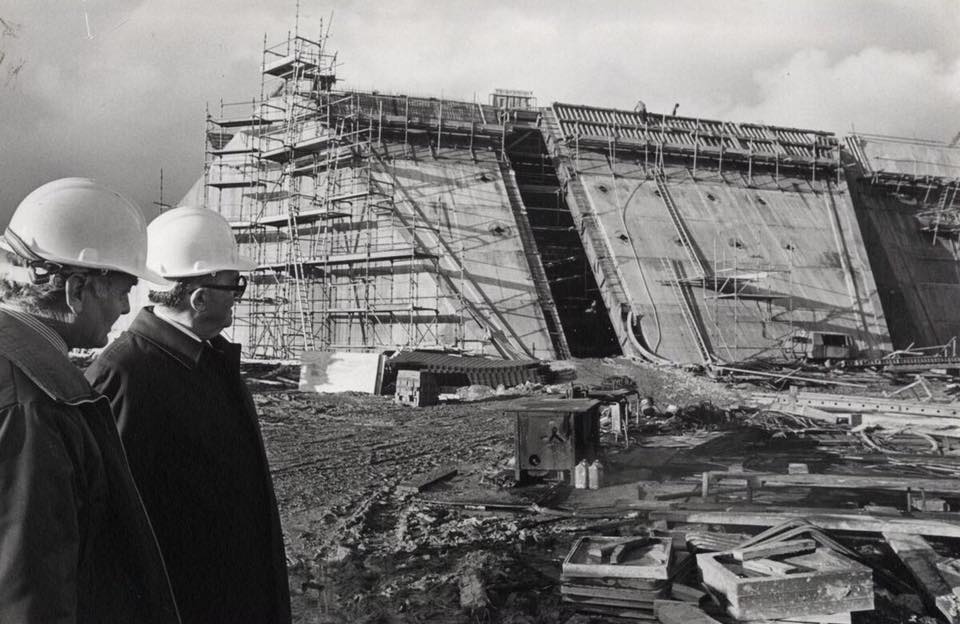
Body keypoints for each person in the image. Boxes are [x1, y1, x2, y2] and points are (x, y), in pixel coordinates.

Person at [86, 205, 291, 624]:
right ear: (199, 297)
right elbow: (110, 527)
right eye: (235, 285)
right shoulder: (127, 375)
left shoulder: (206, 357)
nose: (238, 295)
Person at [0, 177, 180, 622]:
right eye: (122, 290)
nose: (126, 309)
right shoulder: (36, 404)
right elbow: (30, 595)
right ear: (76, 289)